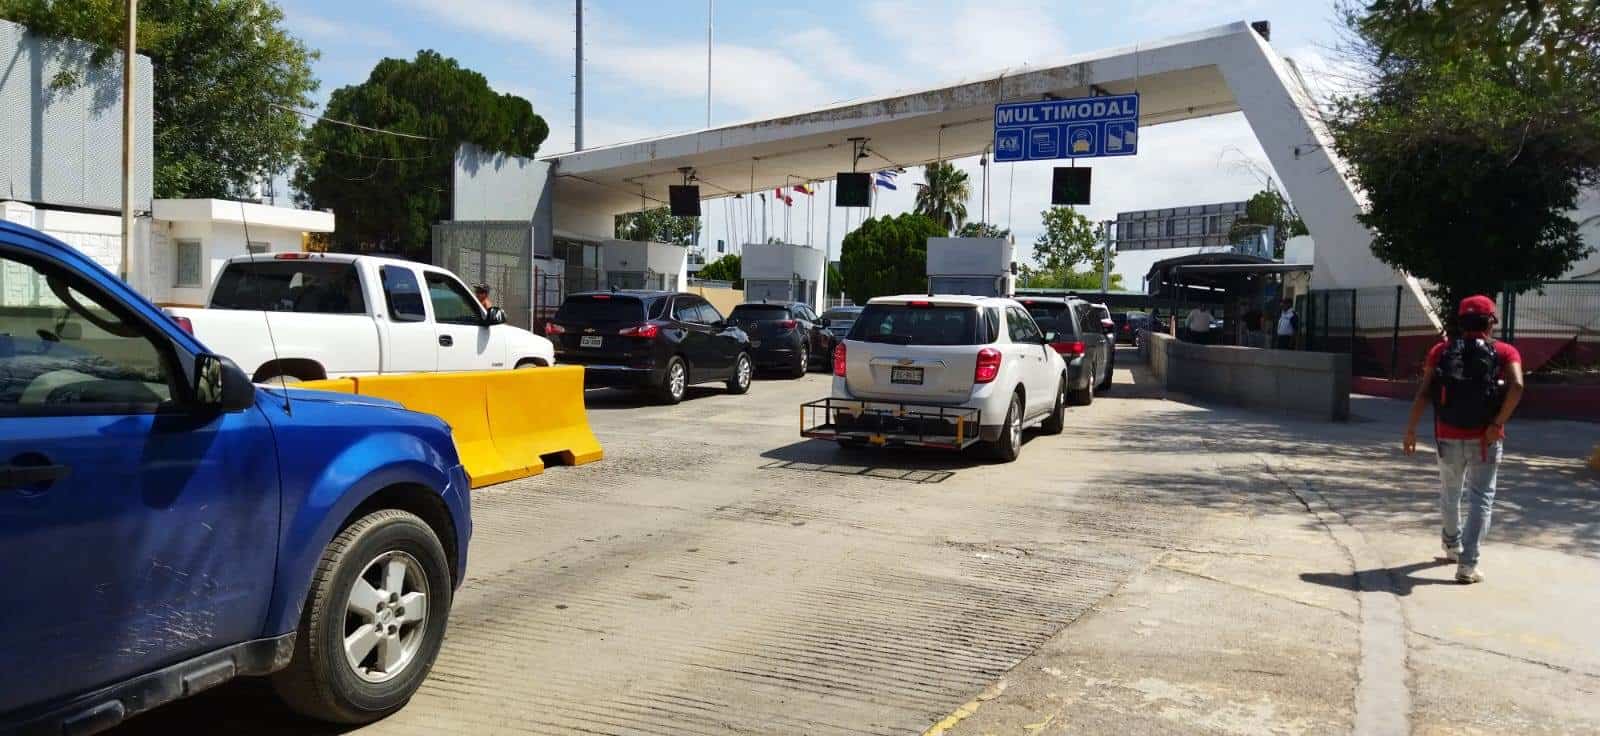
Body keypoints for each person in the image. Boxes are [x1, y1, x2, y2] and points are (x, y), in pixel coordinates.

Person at [1403, 295, 1525, 584]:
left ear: (1460, 321)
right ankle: (1467, 566)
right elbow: (1517, 386)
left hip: (1447, 434)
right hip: (1486, 437)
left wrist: (1410, 430)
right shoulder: (1505, 351)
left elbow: (1423, 393)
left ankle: (1450, 546)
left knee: (1450, 492)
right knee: (1481, 498)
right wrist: (1497, 424)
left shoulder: (1440, 350)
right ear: (1491, 322)